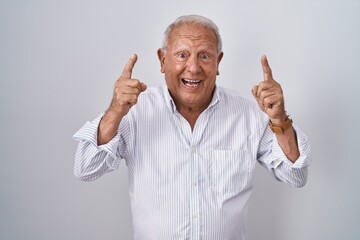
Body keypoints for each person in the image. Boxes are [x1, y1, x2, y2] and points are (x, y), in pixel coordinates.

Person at [73, 14, 311, 240]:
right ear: (162, 60)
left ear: (218, 62)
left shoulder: (248, 114)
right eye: (182, 55)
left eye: (205, 56)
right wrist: (115, 111)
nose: (194, 67)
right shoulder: (135, 112)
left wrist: (279, 119)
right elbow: (86, 169)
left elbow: (295, 175)